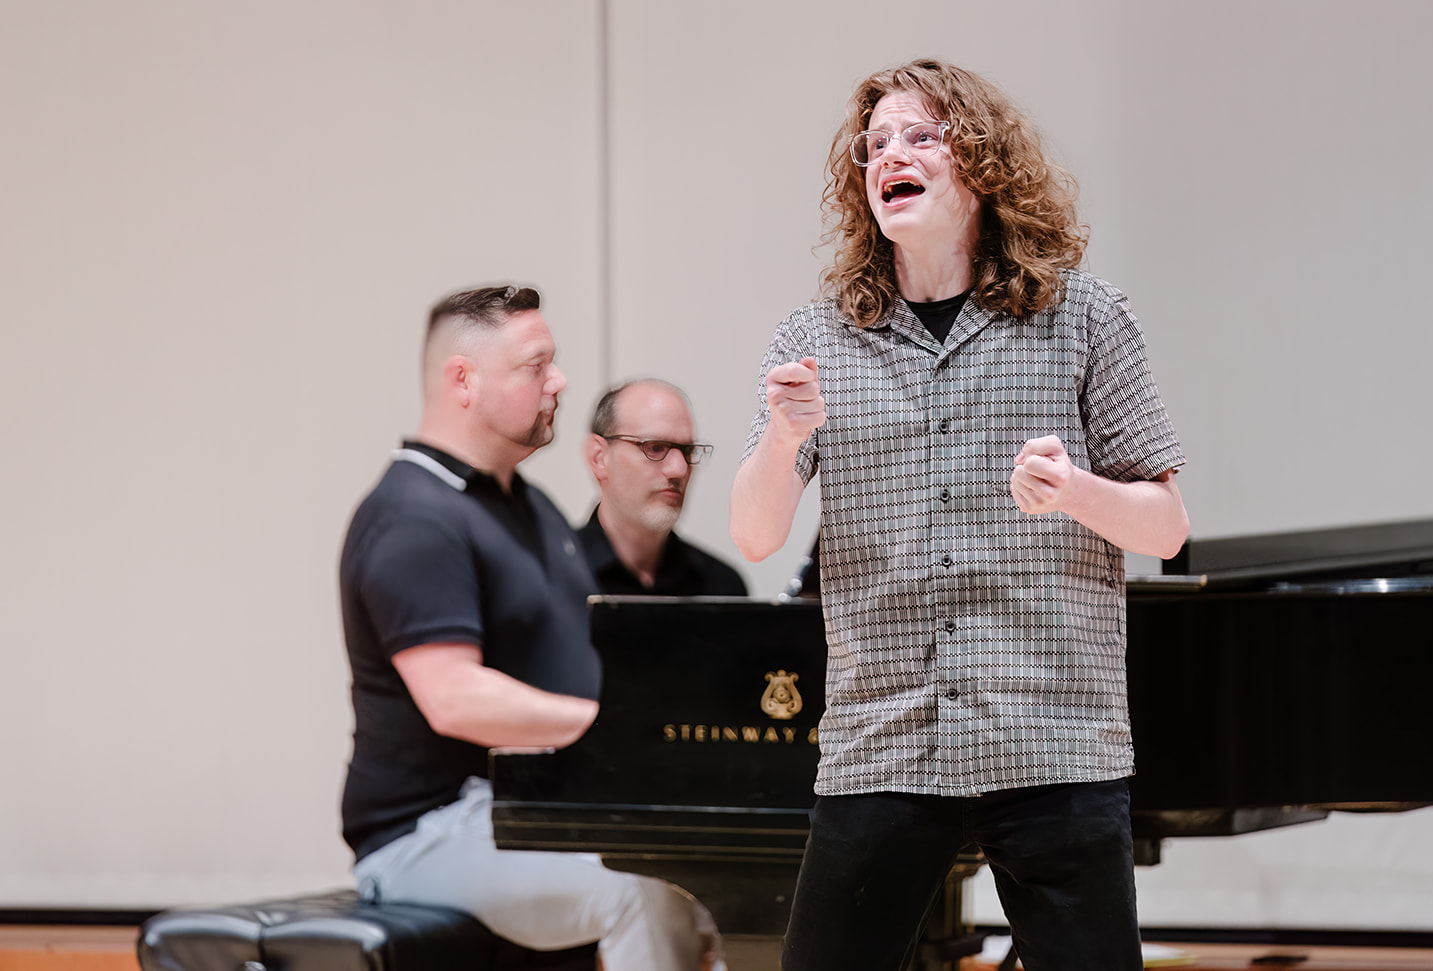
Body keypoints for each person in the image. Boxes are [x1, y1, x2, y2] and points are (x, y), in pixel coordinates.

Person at [730, 60, 1189, 971]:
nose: (888, 156)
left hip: (1051, 728)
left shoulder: (1085, 318)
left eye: (919, 136)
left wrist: (1078, 492)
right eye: (874, 146)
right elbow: (755, 534)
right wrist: (783, 440)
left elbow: (1168, 527)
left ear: (980, 163)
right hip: (885, 735)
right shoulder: (816, 339)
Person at [338, 285, 719, 971]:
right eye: (536, 366)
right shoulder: (413, 517)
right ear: (463, 379)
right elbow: (453, 696)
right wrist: (621, 728)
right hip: (427, 833)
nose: (560, 381)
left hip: (525, 810)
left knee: (718, 872)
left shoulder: (530, 507)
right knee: (643, 888)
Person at [579, 379, 749, 596]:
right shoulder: (553, 576)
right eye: (655, 448)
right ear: (599, 458)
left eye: (687, 452)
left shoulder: (721, 587)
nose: (679, 470)